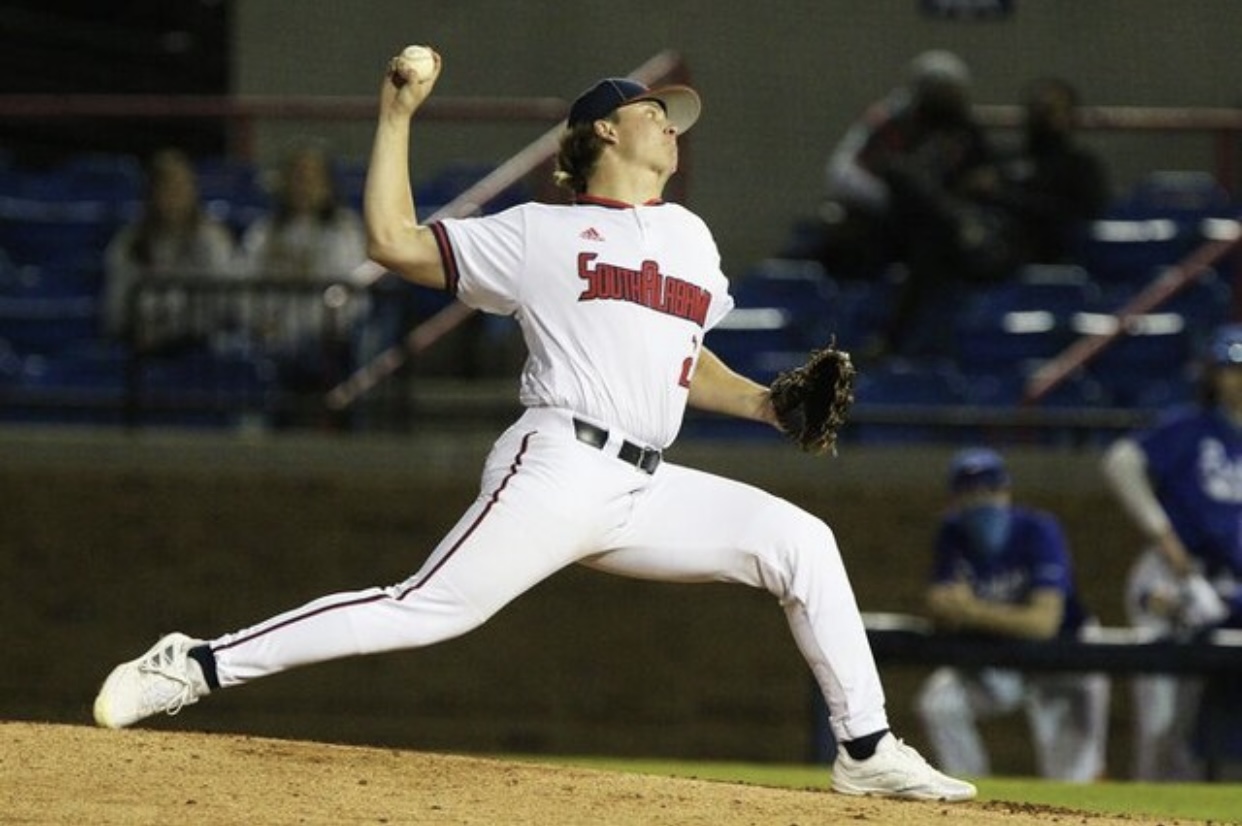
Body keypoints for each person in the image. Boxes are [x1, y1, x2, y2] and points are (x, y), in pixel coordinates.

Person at [91, 50, 976, 803]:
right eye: (653, 114)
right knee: (424, 609)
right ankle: (196, 664)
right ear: (602, 133)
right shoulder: (538, 234)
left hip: (643, 484)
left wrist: (761, 402)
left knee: (802, 542)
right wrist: (396, 113)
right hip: (558, 464)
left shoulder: (692, 240)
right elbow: (393, 242)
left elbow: (676, 358)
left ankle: (865, 751)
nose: (673, 127)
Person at [1100, 323, 1242, 781]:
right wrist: (1163, 535)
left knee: (1190, 719)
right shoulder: (1190, 428)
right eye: (1229, 369)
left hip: (1223, 586)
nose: (1237, 379)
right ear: (1213, 376)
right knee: (1159, 721)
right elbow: (1120, 463)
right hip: (1173, 572)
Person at [916, 447, 1110, 782]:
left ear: (1006, 491)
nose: (982, 500)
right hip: (1002, 656)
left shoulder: (1038, 529)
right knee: (941, 703)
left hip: (1065, 658)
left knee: (1071, 778)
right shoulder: (953, 533)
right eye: (971, 493)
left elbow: (1043, 623)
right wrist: (957, 611)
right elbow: (937, 603)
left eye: (990, 489)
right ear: (955, 500)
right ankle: (969, 799)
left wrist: (973, 612)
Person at [819, 49, 1018, 357]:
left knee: (932, 243)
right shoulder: (897, 123)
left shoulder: (965, 130)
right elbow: (843, 173)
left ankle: (892, 342)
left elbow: (987, 173)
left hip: (940, 235)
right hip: (895, 222)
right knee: (900, 181)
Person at [237, 142, 371, 398]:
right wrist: (256, 323)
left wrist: (324, 329)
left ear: (328, 185)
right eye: (297, 177)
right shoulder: (264, 232)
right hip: (268, 339)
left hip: (325, 341)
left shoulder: (345, 230)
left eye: (312, 178)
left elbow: (354, 293)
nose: (303, 186)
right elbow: (241, 283)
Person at [102, 148, 238, 348]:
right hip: (145, 345)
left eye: (182, 188)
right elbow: (117, 303)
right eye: (167, 189)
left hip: (201, 343)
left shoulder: (212, 238)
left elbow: (227, 296)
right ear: (152, 195)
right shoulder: (130, 241)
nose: (175, 197)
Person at [995, 77, 1110, 266]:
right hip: (1004, 262)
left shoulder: (1081, 167)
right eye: (1036, 109)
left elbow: (1081, 217)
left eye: (1050, 110)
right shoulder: (1004, 161)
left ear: (1070, 117)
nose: (1041, 116)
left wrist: (1010, 197)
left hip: (1061, 260)